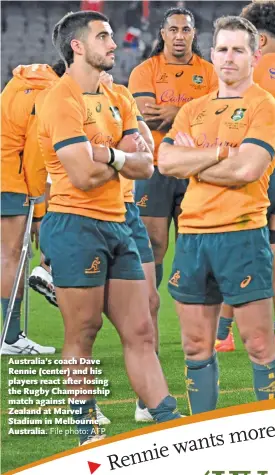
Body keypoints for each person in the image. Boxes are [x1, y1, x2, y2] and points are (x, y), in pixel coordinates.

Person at [38, 11, 182, 445]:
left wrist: (111, 156)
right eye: (103, 37)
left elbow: (146, 163)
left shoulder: (118, 94)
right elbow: (80, 176)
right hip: (74, 223)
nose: (114, 44)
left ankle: (168, 425)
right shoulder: (60, 100)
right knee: (83, 332)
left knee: (140, 330)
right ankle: (88, 433)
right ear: (77, 46)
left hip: (121, 221)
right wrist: (120, 154)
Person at [158, 15, 275, 413]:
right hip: (193, 237)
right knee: (196, 344)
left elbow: (247, 170)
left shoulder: (265, 107)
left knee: (259, 343)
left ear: (255, 55)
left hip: (241, 235)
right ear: (211, 54)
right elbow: (164, 161)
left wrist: (191, 160)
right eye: (223, 49)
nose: (229, 58)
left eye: (239, 50)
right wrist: (217, 152)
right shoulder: (192, 110)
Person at [214, 0, 275, 355]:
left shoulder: (244, 70)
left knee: (235, 252)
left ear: (260, 40)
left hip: (252, 171)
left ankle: (223, 333)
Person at [128, 6, 218, 294]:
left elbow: (219, 119)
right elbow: (148, 115)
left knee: (193, 245)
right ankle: (147, 312)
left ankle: (193, 317)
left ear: (194, 34)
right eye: (174, 29)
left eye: (186, 29)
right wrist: (195, 115)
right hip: (155, 167)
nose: (180, 35)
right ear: (163, 34)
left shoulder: (210, 73)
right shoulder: (145, 71)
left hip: (195, 169)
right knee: (153, 244)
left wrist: (176, 111)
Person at [100, 71, 160, 421]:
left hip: (128, 212)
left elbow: (146, 148)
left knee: (150, 302)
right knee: (86, 321)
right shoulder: (68, 99)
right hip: (89, 212)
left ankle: (145, 400)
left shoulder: (121, 95)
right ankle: (85, 407)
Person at [1, 63, 60, 356]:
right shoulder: (47, 93)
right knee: (12, 257)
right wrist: (38, 213)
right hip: (10, 179)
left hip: (5, 170)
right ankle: (11, 338)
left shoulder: (20, 81)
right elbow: (36, 159)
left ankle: (10, 336)